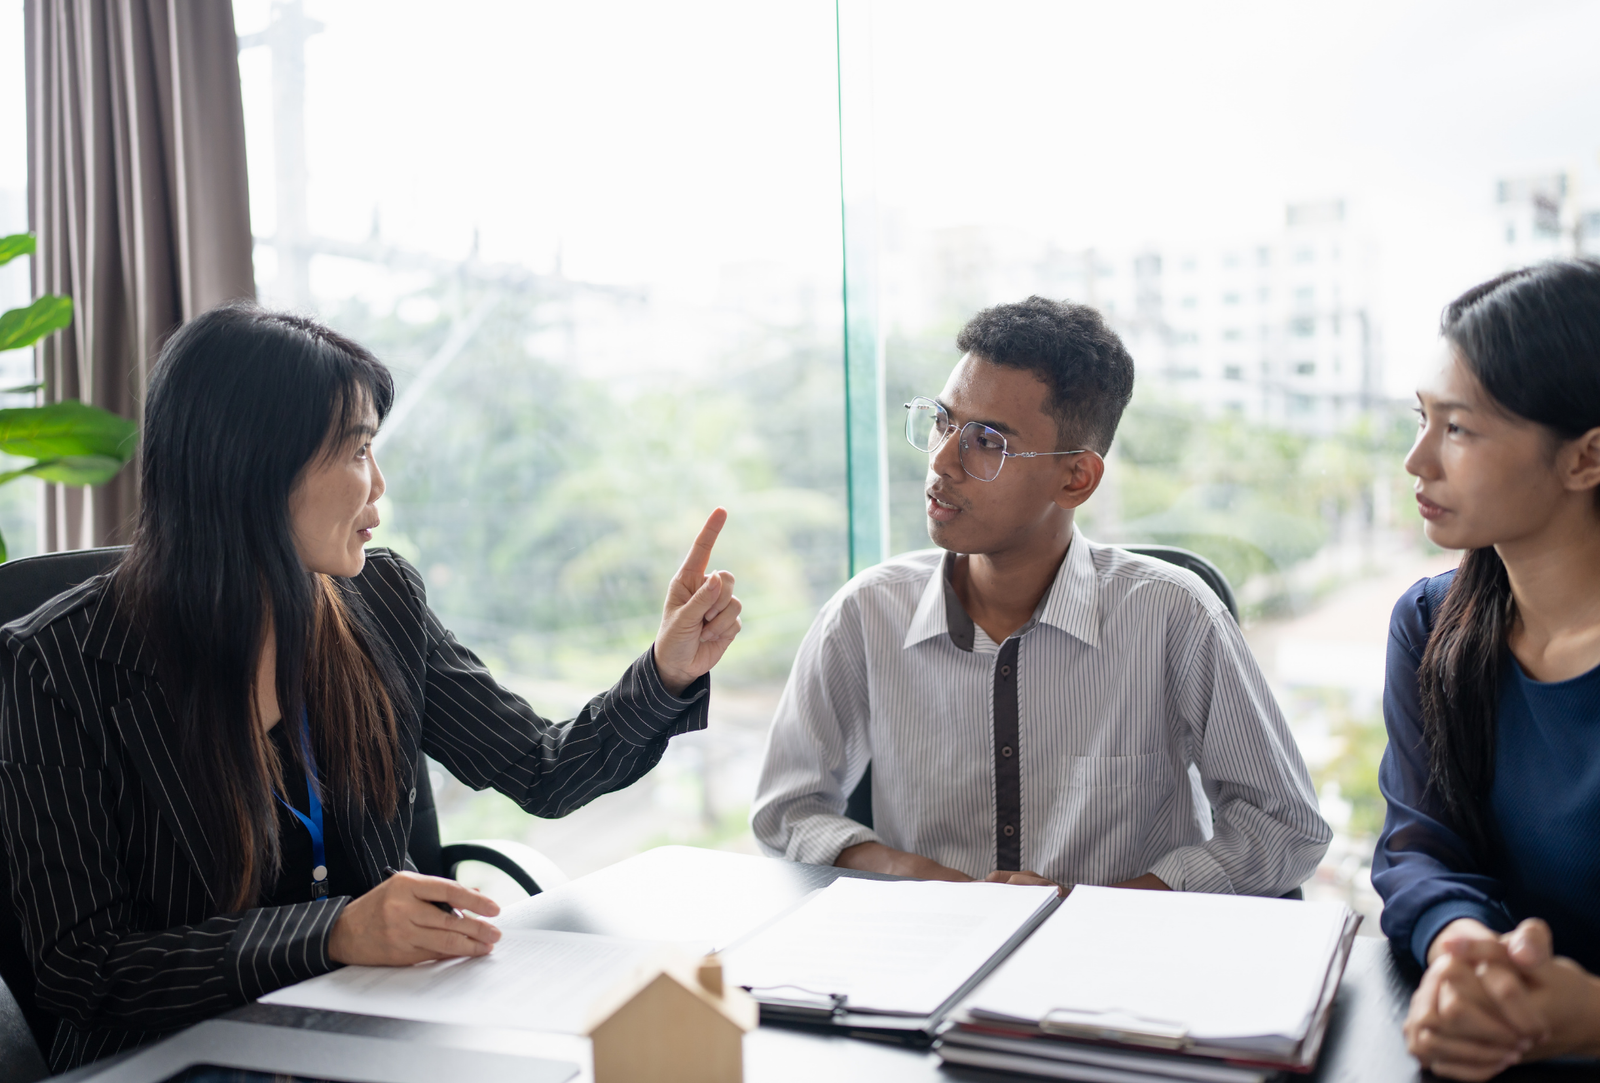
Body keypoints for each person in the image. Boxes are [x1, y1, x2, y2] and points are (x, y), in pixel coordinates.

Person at [0, 305, 742, 1071]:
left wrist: (666, 671)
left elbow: (544, 769)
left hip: (378, 1028)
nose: (379, 484)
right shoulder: (57, 666)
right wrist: (330, 931)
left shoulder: (381, 600)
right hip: (175, 1055)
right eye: (357, 450)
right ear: (253, 467)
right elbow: (81, 967)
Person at [750, 296, 1329, 895]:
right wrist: (910, 871)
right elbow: (785, 810)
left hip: (1114, 966)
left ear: (1075, 477)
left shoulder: (1173, 616)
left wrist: (1099, 907)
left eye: (986, 441)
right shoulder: (866, 612)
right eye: (943, 422)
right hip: (927, 958)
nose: (942, 460)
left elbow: (1285, 828)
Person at [1373, 259, 1600, 1080]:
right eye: (1421, 418)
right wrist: (1461, 944)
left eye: (1458, 429)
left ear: (1586, 457)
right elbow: (1419, 848)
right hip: (1489, 1045)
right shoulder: (1432, 623)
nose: (1417, 460)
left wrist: (1590, 1019)